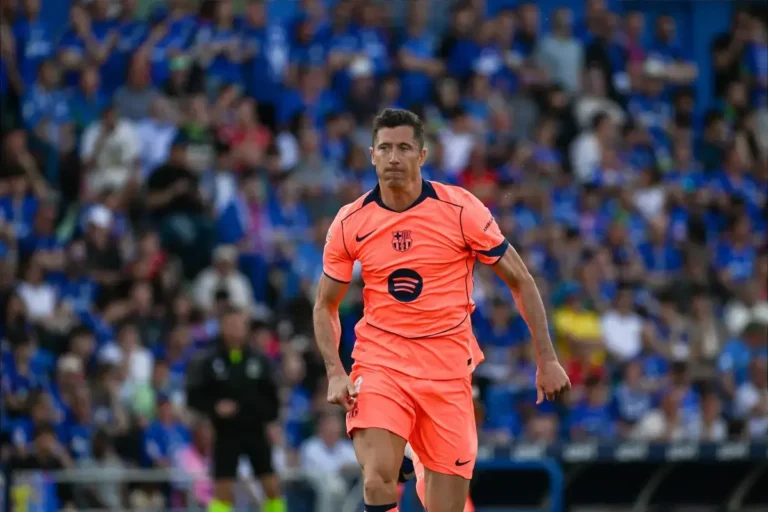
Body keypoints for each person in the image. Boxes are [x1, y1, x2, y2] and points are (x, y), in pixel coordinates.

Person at [313, 108, 571, 512]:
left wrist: (547, 359)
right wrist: (335, 371)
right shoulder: (351, 222)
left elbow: (521, 280)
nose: (393, 157)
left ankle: (415, 453)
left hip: (448, 370)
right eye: (385, 148)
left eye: (404, 148)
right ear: (372, 155)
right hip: (381, 363)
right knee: (377, 478)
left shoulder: (460, 210)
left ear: (422, 155)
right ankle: (400, 450)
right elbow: (325, 304)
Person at [186, 307, 285, 512]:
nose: (236, 329)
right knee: (223, 488)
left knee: (271, 486)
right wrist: (215, 407)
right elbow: (194, 397)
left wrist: (264, 415)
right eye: (230, 324)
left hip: (255, 429)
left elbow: (273, 399)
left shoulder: (259, 359)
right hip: (225, 432)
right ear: (222, 327)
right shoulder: (209, 361)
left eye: (240, 324)